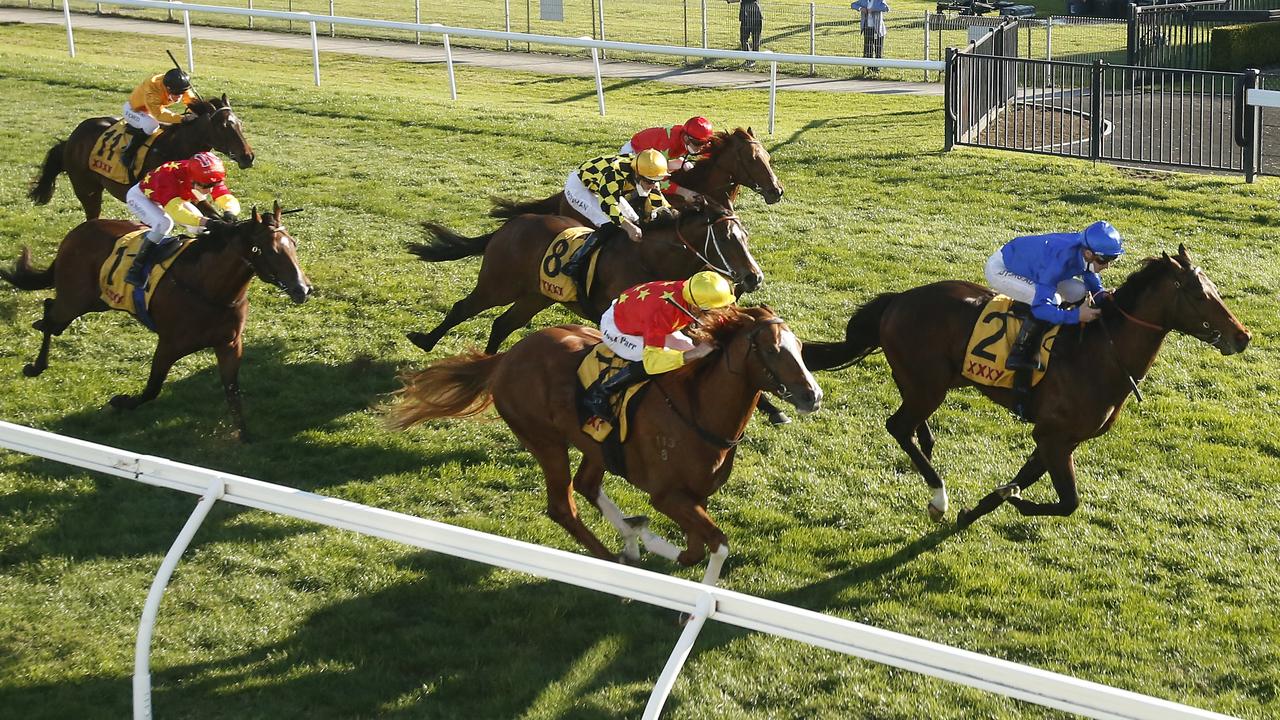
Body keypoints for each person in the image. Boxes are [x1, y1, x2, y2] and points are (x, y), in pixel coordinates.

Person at [984, 220, 1125, 417]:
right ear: (1088, 253)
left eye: (1113, 260)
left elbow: (1089, 273)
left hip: (1032, 265)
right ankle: (1021, 354)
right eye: (1105, 260)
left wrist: (1100, 294)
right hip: (1003, 269)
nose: (1108, 266)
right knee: (1053, 300)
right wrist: (1076, 315)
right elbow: (1042, 308)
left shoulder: (1083, 250)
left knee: (1078, 291)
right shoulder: (1059, 260)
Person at [585, 271, 737, 419]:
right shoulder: (664, 312)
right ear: (696, 308)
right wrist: (696, 353)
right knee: (654, 359)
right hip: (618, 329)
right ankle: (602, 392)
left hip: (642, 317)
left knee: (687, 346)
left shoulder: (692, 292)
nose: (720, 314)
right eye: (715, 311)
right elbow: (652, 360)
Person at [124, 152, 241, 286]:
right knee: (164, 223)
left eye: (212, 185)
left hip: (174, 197)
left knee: (200, 228)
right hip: (141, 197)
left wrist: (230, 212)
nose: (209, 191)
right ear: (192, 179)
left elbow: (225, 196)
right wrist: (207, 222)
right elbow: (176, 211)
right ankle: (136, 267)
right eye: (205, 186)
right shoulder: (168, 176)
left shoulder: (206, 176)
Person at [560, 149, 673, 280]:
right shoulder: (614, 172)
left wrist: (672, 213)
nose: (653, 185)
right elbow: (608, 206)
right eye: (650, 181)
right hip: (581, 187)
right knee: (608, 222)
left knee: (634, 220)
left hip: (608, 189)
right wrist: (629, 227)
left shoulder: (647, 175)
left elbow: (658, 202)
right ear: (637, 175)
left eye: (657, 180)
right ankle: (575, 263)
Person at [620, 116, 715, 202]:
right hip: (635, 152)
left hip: (659, 155)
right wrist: (685, 192)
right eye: (699, 144)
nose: (703, 147)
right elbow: (659, 181)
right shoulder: (667, 145)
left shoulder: (691, 139)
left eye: (706, 143)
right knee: (646, 184)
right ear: (686, 139)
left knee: (686, 164)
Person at [120, 68, 198, 171]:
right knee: (151, 125)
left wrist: (200, 109)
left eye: (181, 93)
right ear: (168, 88)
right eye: (176, 93)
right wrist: (182, 119)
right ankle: (128, 153)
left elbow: (190, 99)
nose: (179, 97)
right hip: (133, 110)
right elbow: (159, 114)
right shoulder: (152, 89)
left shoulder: (179, 84)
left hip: (150, 109)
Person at [851, 0, 889, 73]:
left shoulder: (879, 1)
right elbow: (853, 5)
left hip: (878, 30)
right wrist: (861, 9)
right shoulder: (864, 1)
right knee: (868, 50)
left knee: (878, 50)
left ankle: (877, 69)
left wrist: (873, 9)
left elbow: (886, 8)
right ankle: (869, 69)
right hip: (867, 29)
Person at [727, 0, 763, 67]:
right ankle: (748, 59)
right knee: (743, 39)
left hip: (754, 14)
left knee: (755, 39)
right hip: (745, 15)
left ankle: (753, 60)